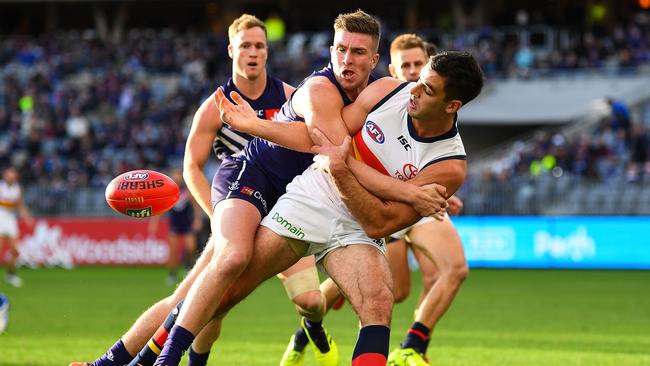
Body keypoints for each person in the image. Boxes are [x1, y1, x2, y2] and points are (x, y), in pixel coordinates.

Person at [155, 50, 483, 366]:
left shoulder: (449, 165)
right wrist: (400, 190)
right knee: (230, 288)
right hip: (313, 196)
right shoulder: (388, 91)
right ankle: (155, 359)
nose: (414, 90)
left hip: (359, 224)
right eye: (418, 79)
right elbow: (325, 143)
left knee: (379, 301)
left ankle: (307, 335)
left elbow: (380, 224)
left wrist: (343, 169)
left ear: (452, 105)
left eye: (427, 89)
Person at [69, 13, 328, 366]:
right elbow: (191, 165)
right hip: (238, 198)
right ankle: (110, 361)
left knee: (312, 301)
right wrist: (215, 213)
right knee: (195, 296)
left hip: (282, 209)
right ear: (230, 51)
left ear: (267, 52)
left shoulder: (289, 97)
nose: (253, 53)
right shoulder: (214, 106)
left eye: (259, 46)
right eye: (245, 46)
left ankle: (311, 332)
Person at [383, 33, 470, 366]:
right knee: (397, 291)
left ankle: (413, 347)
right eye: (405, 65)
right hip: (383, 204)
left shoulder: (436, 105)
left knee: (449, 271)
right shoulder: (384, 102)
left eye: (419, 65)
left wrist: (443, 192)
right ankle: (310, 323)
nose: (412, 71)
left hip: (418, 205)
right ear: (393, 69)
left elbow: (442, 158)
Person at [149, 168, 202, 285]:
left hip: (187, 224)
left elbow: (196, 205)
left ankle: (187, 266)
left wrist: (197, 219)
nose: (177, 177)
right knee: (173, 251)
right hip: (174, 225)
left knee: (191, 248)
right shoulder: (168, 192)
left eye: (178, 174)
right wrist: (154, 222)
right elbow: (161, 209)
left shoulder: (187, 190)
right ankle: (172, 274)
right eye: (175, 174)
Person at [0, 166, 34, 288]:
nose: (12, 176)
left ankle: (11, 274)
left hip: (10, 220)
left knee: (15, 250)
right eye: (10, 174)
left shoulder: (17, 188)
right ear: (5, 175)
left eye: (14, 174)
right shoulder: (1, 187)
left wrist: (27, 218)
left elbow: (20, 205)